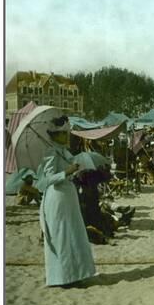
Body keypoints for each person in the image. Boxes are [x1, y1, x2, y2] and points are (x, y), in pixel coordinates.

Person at [36, 111, 96, 287]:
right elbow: (46, 180)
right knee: (62, 236)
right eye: (65, 133)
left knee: (73, 234)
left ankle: (76, 274)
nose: (68, 136)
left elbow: (69, 170)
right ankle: (63, 277)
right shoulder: (50, 152)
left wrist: (76, 170)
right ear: (57, 134)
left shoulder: (63, 151)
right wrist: (66, 172)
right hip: (57, 198)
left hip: (68, 197)